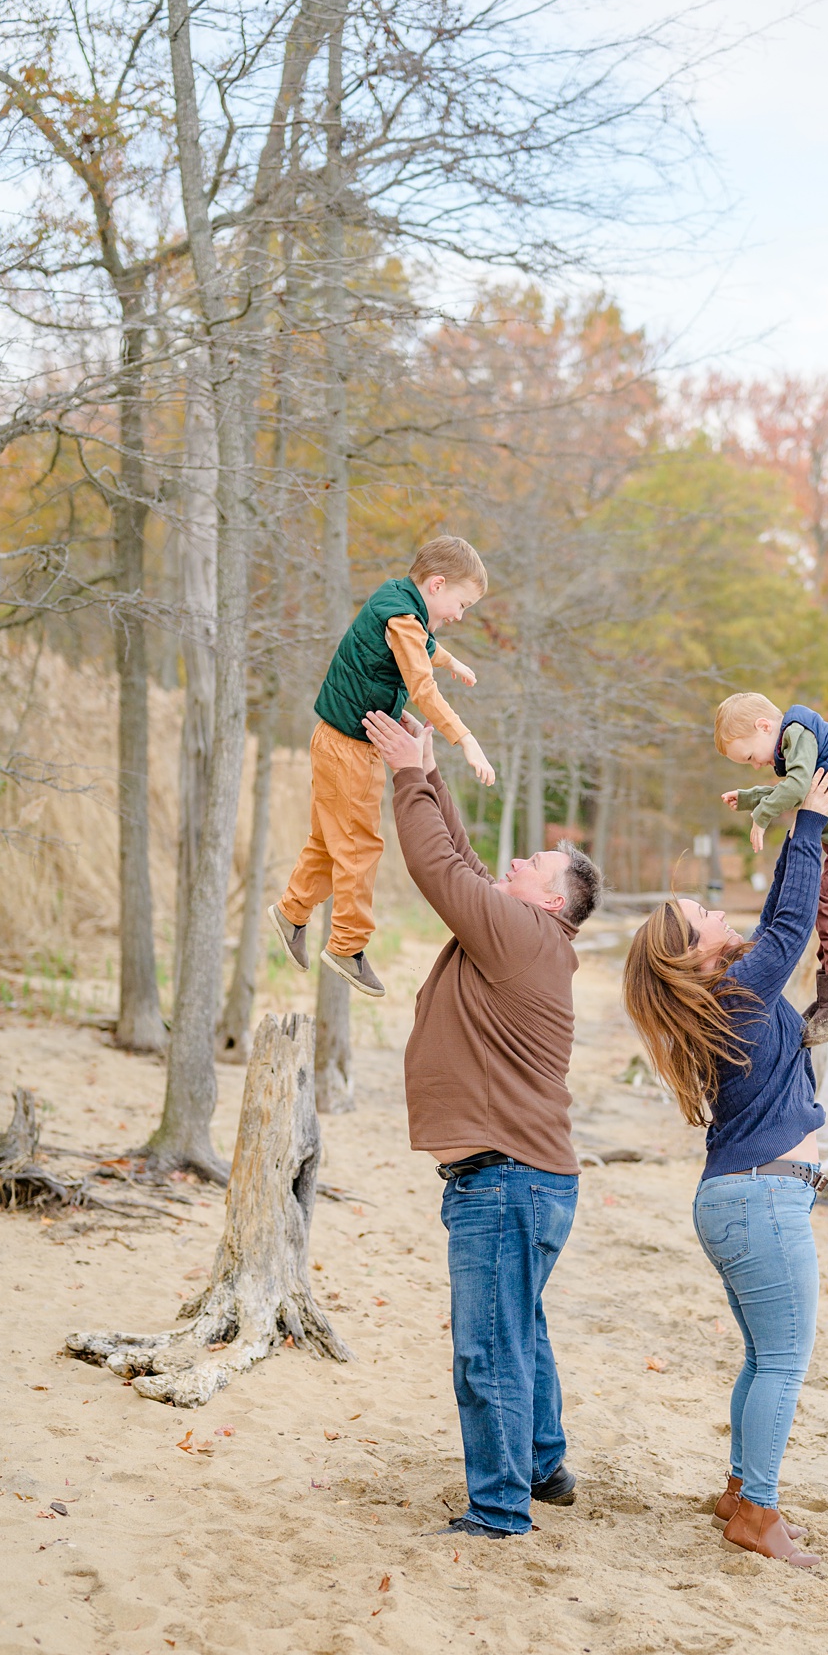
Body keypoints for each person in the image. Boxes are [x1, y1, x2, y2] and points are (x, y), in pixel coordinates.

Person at [362, 708, 603, 1541]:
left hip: (507, 1182)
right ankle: (542, 1465)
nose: (511, 862)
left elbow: (438, 869)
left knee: (488, 1350)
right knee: (519, 1329)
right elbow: (462, 860)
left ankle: (500, 1511)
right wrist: (428, 770)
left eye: (531, 862)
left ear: (551, 896)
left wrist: (404, 777)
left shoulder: (526, 935)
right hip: (519, 1180)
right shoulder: (525, 932)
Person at [621, 762, 828, 1567]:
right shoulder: (738, 994)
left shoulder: (721, 1001)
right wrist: (810, 822)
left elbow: (778, 926)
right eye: (705, 914)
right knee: (782, 1363)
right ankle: (756, 1512)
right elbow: (789, 930)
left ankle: (738, 1491)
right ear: (698, 952)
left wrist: (790, 821)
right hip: (761, 1201)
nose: (722, 913)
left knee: (763, 1358)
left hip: (737, 1199)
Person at [271, 537, 498, 999]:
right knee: (360, 848)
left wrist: (452, 660)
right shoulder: (402, 617)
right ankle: (347, 948)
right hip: (348, 748)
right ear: (436, 586)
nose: (460, 614)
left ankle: (291, 913)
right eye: (461, 603)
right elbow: (421, 684)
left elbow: (420, 644)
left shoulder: (396, 599)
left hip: (339, 740)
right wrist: (467, 740)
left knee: (328, 841)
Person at [714, 692, 828, 1045]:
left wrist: (760, 817)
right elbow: (796, 786)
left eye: (750, 756)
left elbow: (796, 788)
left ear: (764, 726)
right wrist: (749, 798)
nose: (754, 765)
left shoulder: (797, 733)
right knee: (824, 908)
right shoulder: (794, 742)